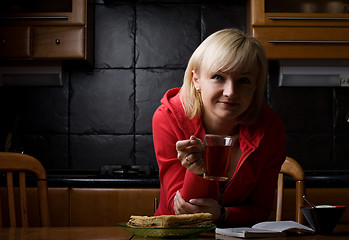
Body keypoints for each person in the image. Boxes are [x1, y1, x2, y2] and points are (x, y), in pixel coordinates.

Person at [152, 28, 285, 227]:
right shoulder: (168, 118)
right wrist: (197, 172)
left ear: (255, 85)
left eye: (244, 81)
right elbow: (179, 211)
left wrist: (222, 214)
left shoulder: (270, 127)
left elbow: (261, 209)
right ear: (196, 80)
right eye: (218, 77)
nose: (231, 92)